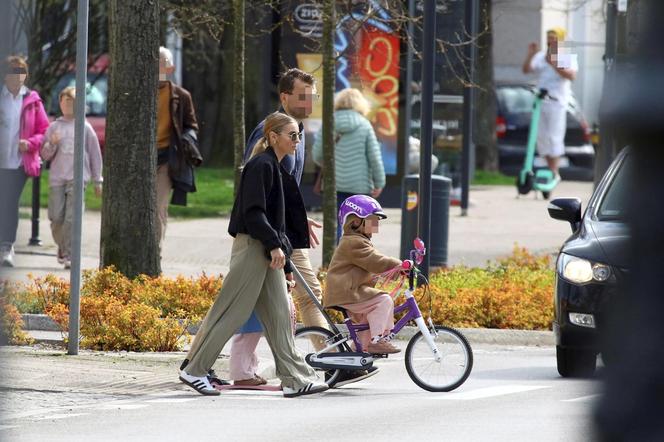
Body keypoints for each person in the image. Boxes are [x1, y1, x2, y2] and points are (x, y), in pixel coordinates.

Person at [229, 69, 377, 388]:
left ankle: (331, 362)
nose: (309, 102)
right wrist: (271, 232)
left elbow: (286, 186)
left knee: (300, 297)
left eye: (312, 96)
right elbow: (254, 183)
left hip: (283, 229)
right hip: (267, 232)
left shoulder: (298, 130)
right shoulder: (271, 130)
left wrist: (298, 216)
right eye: (302, 96)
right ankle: (208, 363)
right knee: (253, 299)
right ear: (284, 97)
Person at [179, 112, 328, 398]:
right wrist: (273, 245)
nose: (297, 140)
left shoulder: (276, 166)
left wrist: (283, 260)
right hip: (254, 247)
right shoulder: (261, 165)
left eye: (298, 135)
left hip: (268, 250)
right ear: (273, 137)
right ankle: (194, 369)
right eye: (292, 135)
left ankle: (296, 378)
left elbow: (278, 220)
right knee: (232, 309)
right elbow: (254, 213)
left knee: (279, 316)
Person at [324, 195, 402, 354]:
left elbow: (373, 264)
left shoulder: (358, 240)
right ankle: (377, 340)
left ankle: (357, 353)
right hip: (346, 292)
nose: (376, 224)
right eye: (373, 220)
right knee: (383, 300)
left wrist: (395, 272)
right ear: (355, 221)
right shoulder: (353, 242)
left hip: (351, 290)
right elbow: (375, 261)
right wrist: (399, 265)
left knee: (369, 318)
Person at [40, 86, 103, 269]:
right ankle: (62, 246)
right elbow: (45, 155)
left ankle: (68, 253)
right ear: (60, 103)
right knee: (56, 217)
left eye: (73, 102)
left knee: (71, 218)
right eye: (66, 101)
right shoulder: (54, 127)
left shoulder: (86, 128)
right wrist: (52, 144)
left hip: (78, 178)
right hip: (57, 179)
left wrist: (98, 180)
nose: (69, 105)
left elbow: (94, 155)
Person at [312, 88, 385, 241]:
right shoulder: (364, 125)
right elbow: (374, 157)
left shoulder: (329, 123)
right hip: (360, 187)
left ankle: (337, 259)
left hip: (334, 185)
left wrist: (329, 165)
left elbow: (317, 154)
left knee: (337, 223)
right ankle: (357, 257)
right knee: (361, 224)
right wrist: (379, 183)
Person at [0, 55, 49, 267]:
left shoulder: (32, 99)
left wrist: (29, 143)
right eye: (13, 72)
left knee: (10, 203)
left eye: (21, 72)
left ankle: (7, 246)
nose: (17, 77)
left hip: (19, 163)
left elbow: (44, 130)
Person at [156, 46, 201, 252]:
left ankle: (155, 252)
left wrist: (186, 139)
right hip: (140, 159)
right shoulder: (140, 93)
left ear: (171, 68)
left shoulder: (181, 96)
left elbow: (192, 125)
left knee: (158, 207)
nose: (158, 65)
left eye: (162, 62)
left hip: (167, 158)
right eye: (155, 61)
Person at [522, 27, 577, 180]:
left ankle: (554, 171)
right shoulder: (541, 56)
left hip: (557, 102)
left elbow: (571, 76)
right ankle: (550, 169)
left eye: (553, 38)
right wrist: (531, 54)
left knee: (554, 136)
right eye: (548, 38)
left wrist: (554, 64)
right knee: (541, 137)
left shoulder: (566, 55)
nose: (550, 41)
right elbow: (526, 70)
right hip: (541, 100)